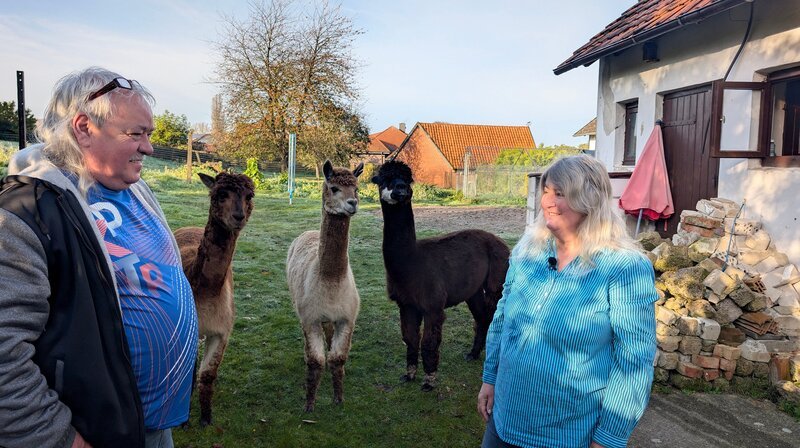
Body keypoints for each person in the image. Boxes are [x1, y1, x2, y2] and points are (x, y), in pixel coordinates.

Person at [0, 67, 198, 448]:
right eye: (135, 134)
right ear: (84, 128)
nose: (149, 148)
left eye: (149, 134)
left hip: (151, 426)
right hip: (93, 432)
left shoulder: (131, 187)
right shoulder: (25, 212)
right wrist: (61, 439)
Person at [477, 155, 657, 448]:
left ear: (589, 199)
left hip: (567, 434)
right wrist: (490, 377)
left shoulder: (624, 267)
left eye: (560, 193)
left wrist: (610, 436)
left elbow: (634, 359)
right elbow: (502, 320)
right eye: (546, 191)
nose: (548, 201)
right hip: (504, 422)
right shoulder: (528, 250)